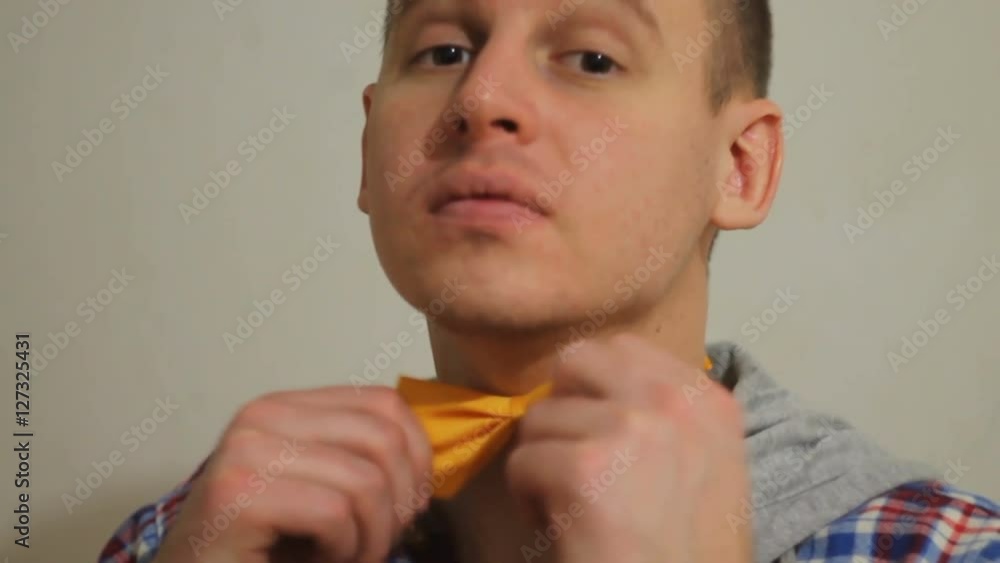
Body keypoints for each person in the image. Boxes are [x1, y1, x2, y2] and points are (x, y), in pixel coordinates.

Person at [99, 0, 1000, 561]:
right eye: (443, 51)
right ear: (371, 151)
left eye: (592, 58)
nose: (480, 98)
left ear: (738, 165)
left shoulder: (944, 550)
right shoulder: (189, 539)